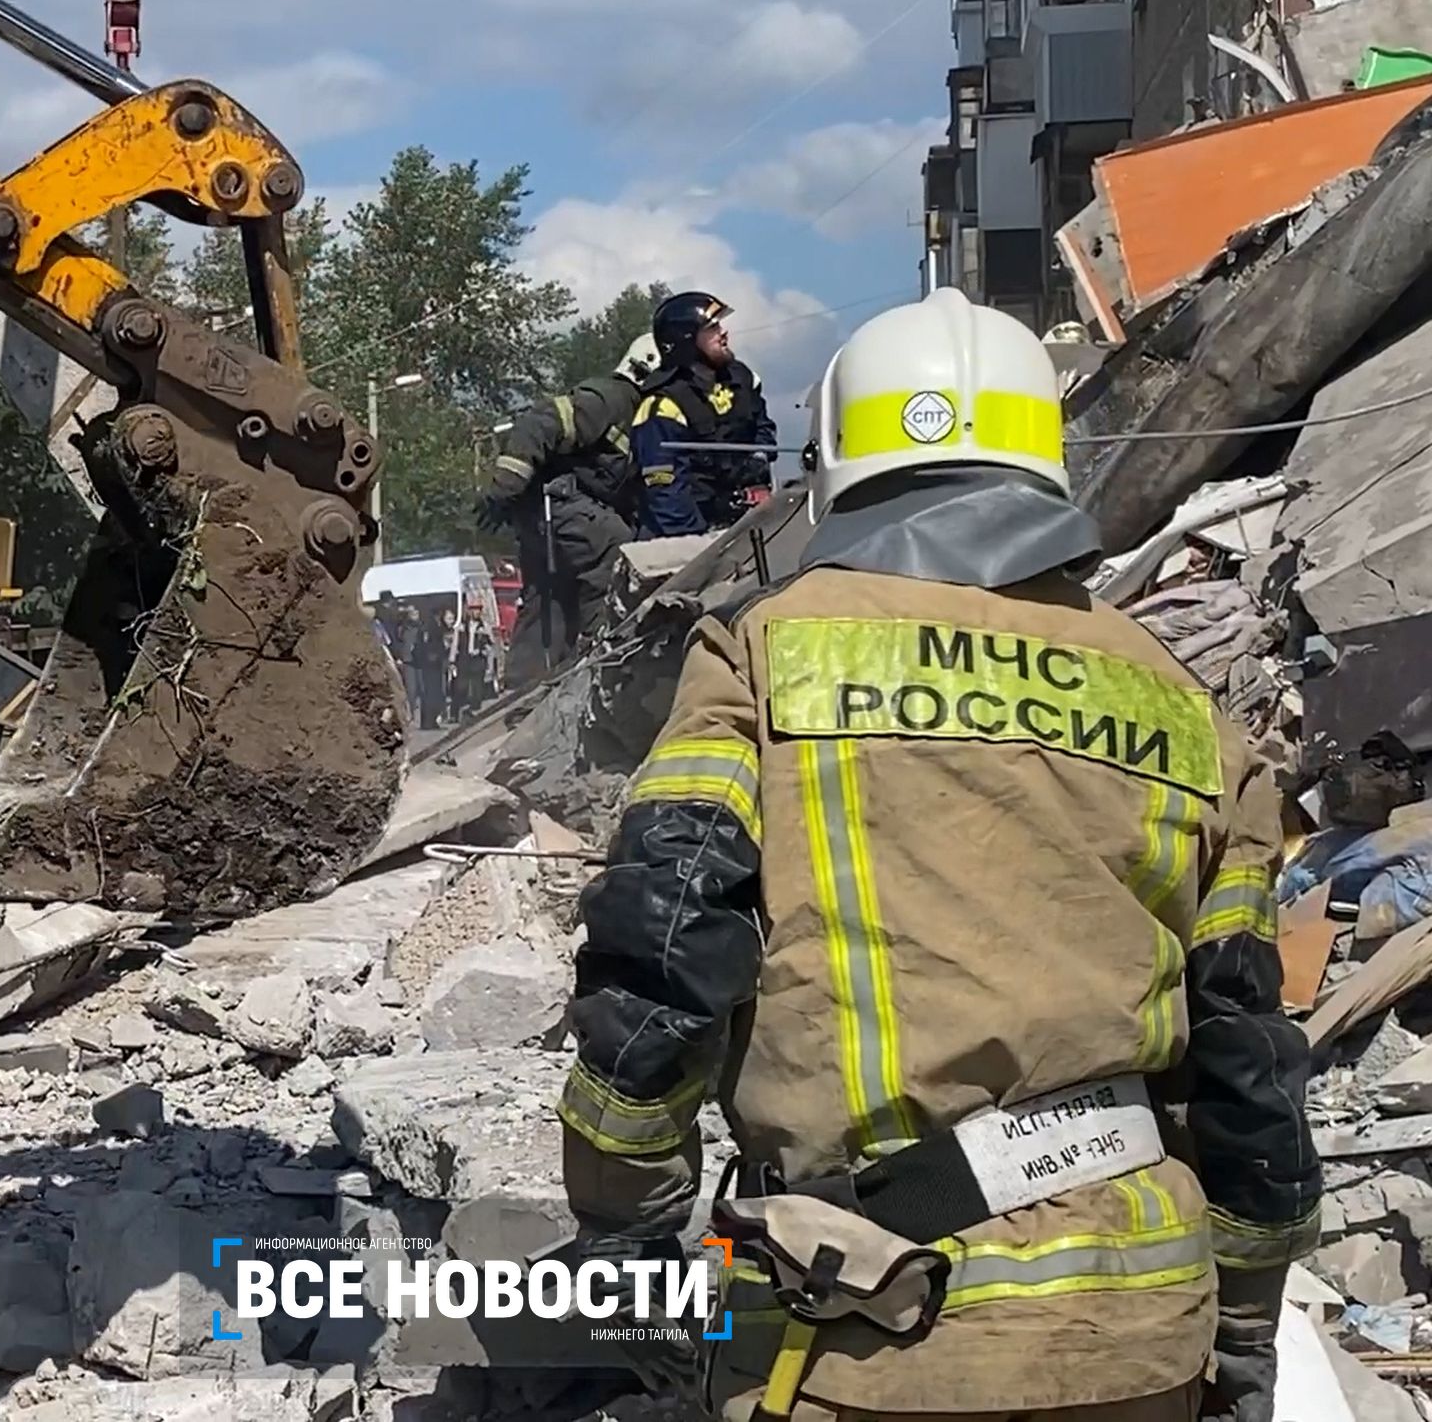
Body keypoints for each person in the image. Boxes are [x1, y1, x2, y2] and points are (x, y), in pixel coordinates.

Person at [558, 289, 1319, 1421]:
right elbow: (1246, 1051)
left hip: (864, 1327)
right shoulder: (1183, 705)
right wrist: (1245, 1331)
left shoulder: (769, 650)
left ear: (838, 463)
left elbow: (665, 938)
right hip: (1140, 1334)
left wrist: (625, 1221)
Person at [477, 334, 661, 682]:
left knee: (549, 597)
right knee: (615, 554)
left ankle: (525, 690)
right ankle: (599, 667)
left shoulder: (641, 411)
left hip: (552, 513)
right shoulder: (613, 397)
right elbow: (541, 422)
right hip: (559, 505)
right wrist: (504, 488)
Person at [629, 291, 778, 538]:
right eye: (712, 327)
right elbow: (666, 495)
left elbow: (763, 428)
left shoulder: (742, 379)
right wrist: (703, 541)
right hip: (688, 537)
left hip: (748, 524)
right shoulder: (662, 406)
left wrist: (759, 460)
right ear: (686, 341)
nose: (724, 332)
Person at [451, 599, 498, 720]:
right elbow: (455, 644)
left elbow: (491, 645)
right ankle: (455, 713)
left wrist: (489, 663)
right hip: (464, 659)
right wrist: (452, 660)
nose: (476, 612)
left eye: (478, 609)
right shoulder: (461, 626)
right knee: (460, 687)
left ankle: (474, 711)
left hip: (478, 660)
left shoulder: (484, 626)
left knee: (477, 688)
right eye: (474, 609)